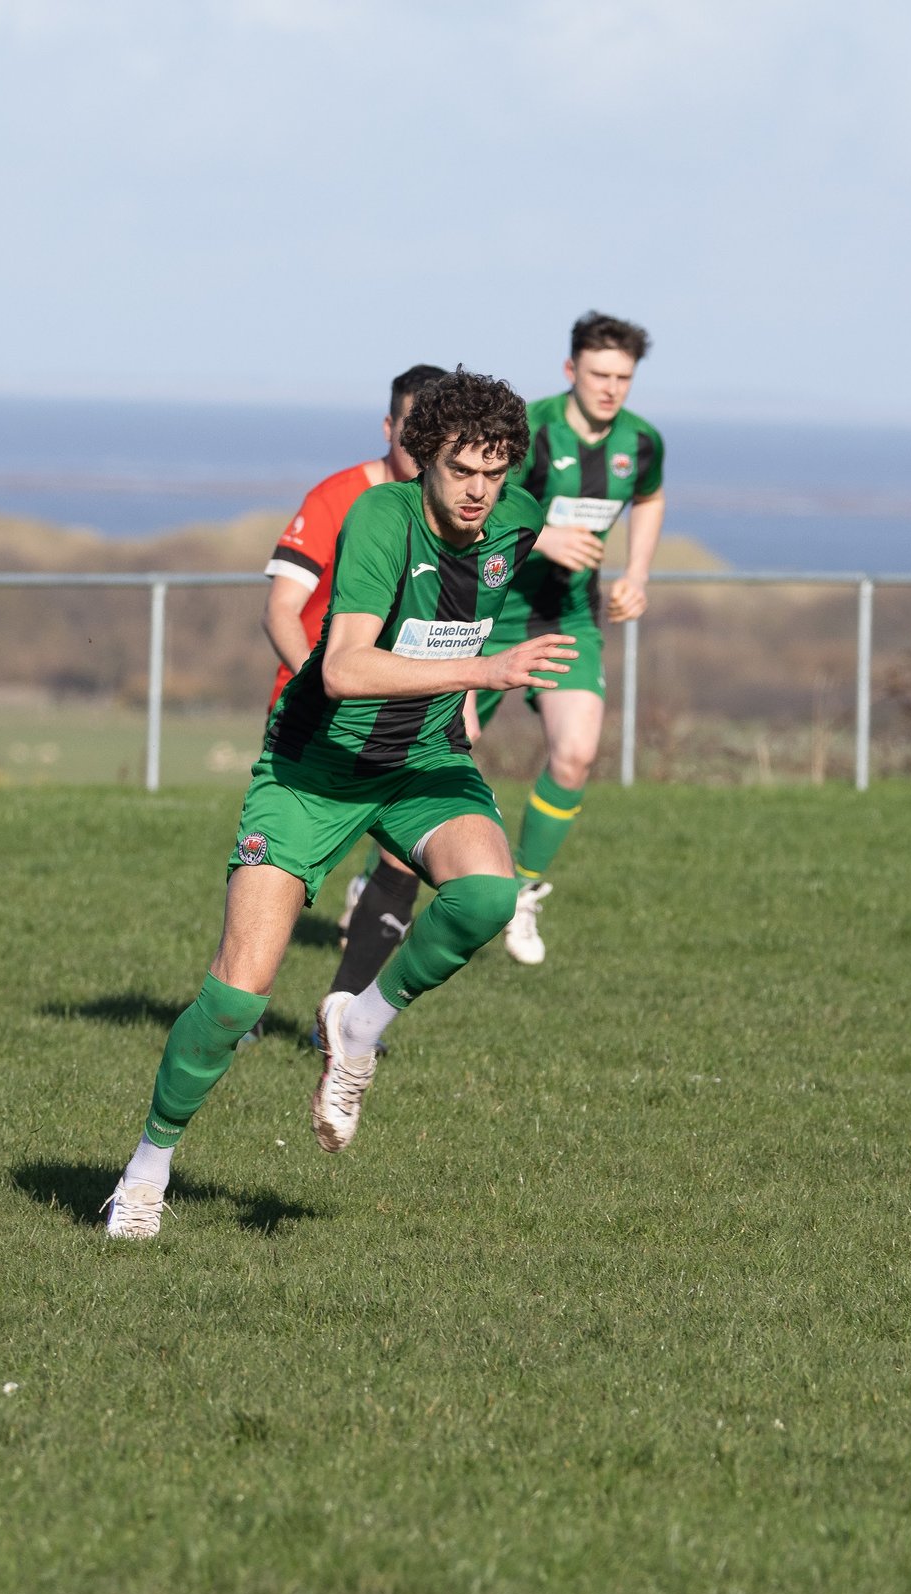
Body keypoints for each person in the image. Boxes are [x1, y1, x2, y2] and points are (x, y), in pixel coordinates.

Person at [103, 371, 575, 1240]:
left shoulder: (515, 517)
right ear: (423, 456)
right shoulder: (378, 521)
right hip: (314, 768)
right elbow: (344, 671)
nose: (478, 492)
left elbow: (560, 546)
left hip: (424, 759)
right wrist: (484, 671)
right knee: (239, 998)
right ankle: (146, 1170)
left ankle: (357, 1024)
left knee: (487, 896)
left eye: (494, 472)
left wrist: (606, 575)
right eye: (461, 470)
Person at [475, 312, 665, 965]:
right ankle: (380, 883)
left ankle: (521, 894)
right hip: (492, 609)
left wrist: (636, 574)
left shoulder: (641, 442)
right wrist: (541, 536)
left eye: (623, 377)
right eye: (599, 374)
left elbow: (649, 498)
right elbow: (476, 500)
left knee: (577, 754)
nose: (611, 388)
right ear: (570, 371)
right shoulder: (531, 427)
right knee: (444, 747)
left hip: (570, 617)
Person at [259, 364, 449, 1014]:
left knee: (407, 863)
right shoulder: (338, 498)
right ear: (388, 425)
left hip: (408, 729)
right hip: (319, 723)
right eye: (410, 431)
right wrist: (329, 684)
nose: (420, 449)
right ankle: (246, 1004)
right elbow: (282, 610)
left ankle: (340, 1018)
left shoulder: (451, 516)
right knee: (282, 878)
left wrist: (466, 704)